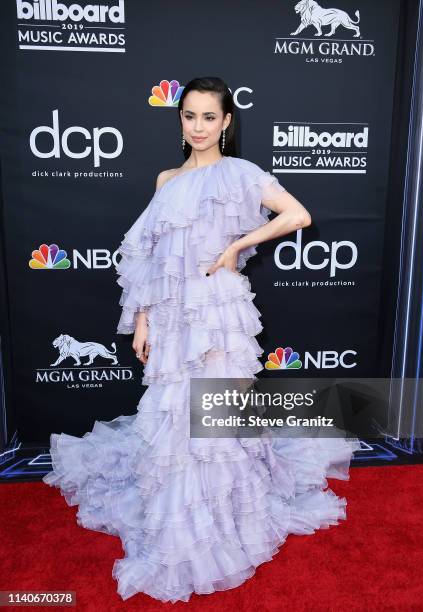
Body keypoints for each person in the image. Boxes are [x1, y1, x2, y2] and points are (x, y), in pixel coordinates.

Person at [43, 76, 361, 603]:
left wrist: (238, 245)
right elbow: (150, 257)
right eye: (189, 116)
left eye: (209, 117)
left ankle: (221, 517)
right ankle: (178, 519)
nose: (198, 127)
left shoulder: (240, 173)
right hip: (172, 315)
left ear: (227, 122)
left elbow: (297, 214)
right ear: (180, 119)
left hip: (217, 310)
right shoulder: (166, 180)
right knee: (174, 416)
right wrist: (143, 319)